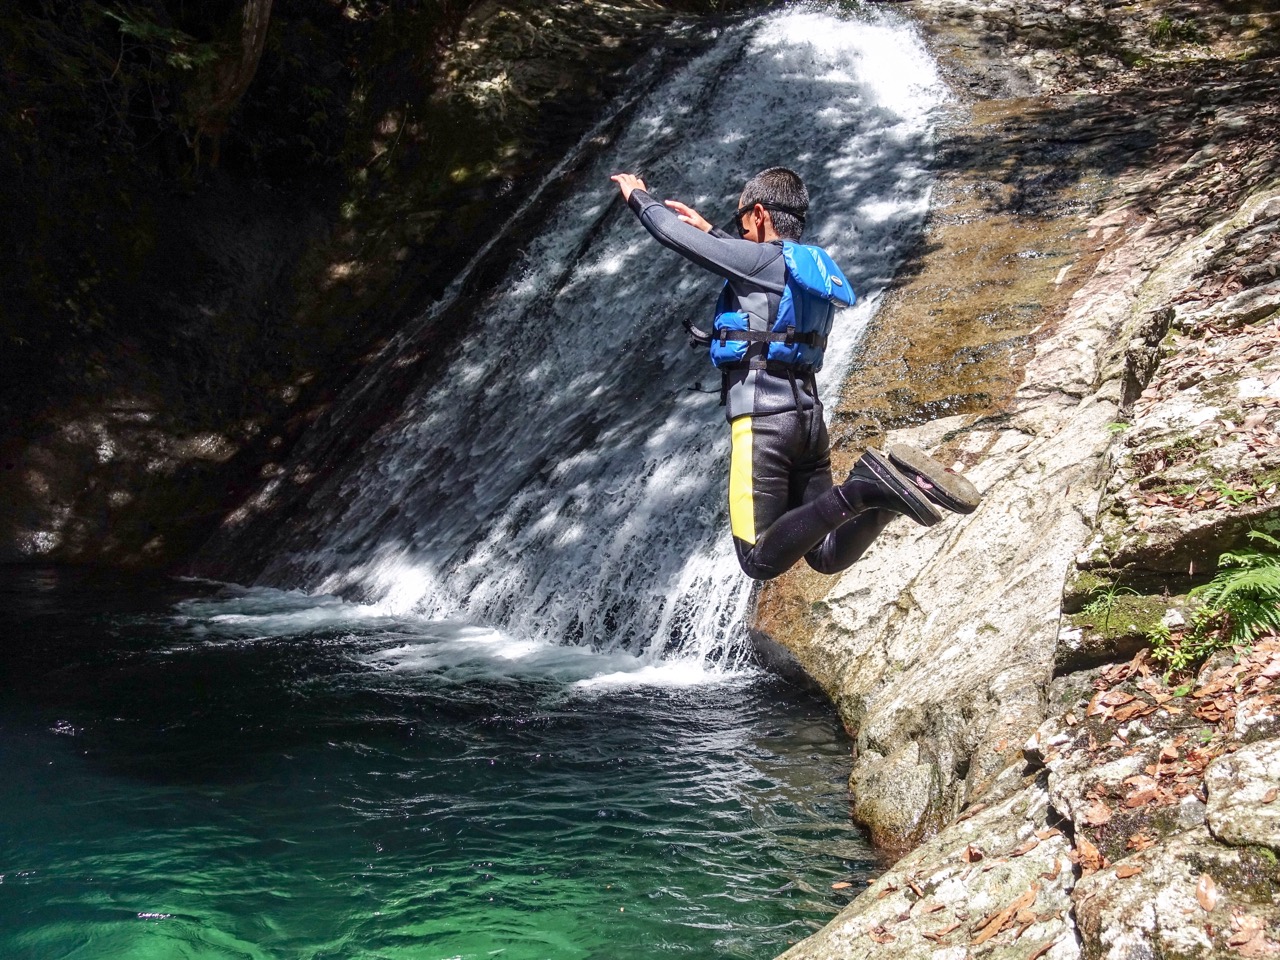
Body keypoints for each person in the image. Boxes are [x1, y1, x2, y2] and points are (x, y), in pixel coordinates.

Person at [611, 166, 980, 581]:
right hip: (806, 422)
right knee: (826, 554)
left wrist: (639, 197)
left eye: (741, 222)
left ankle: (865, 488)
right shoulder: (811, 268)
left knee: (758, 560)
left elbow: (672, 234)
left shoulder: (760, 262)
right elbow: (760, 270)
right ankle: (888, 496)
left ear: (759, 214)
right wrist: (717, 232)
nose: (740, 233)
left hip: (764, 424)